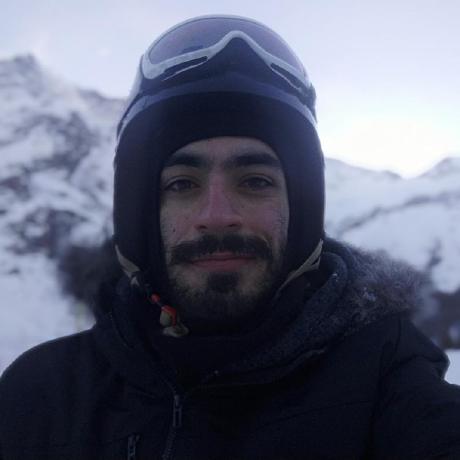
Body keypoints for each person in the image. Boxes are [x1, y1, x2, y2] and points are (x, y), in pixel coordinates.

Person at [1, 14, 460, 460]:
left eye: (255, 181)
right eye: (182, 184)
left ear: (300, 208)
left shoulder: (387, 381)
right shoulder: (38, 398)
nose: (217, 216)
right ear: (142, 212)